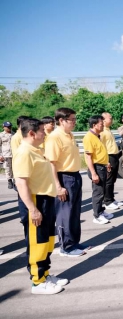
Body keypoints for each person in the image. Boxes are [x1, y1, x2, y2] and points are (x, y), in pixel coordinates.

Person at [13, 118, 68, 294]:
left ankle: (45, 275)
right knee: (37, 242)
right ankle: (37, 281)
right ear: (31, 133)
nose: (45, 133)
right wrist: (33, 209)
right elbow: (21, 183)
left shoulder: (36, 149)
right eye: (42, 131)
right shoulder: (24, 152)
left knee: (47, 241)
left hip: (46, 199)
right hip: (35, 201)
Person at [45, 108, 87, 257]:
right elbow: (52, 164)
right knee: (65, 213)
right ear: (61, 121)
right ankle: (66, 247)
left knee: (75, 212)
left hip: (75, 176)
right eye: (72, 120)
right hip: (63, 178)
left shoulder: (70, 135)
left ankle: (74, 241)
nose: (75, 122)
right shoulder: (55, 137)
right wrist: (58, 186)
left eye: (75, 119)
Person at [83, 115, 113, 225]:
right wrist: (94, 173)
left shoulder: (97, 136)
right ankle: (97, 216)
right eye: (101, 124)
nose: (103, 125)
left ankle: (101, 211)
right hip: (96, 168)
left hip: (102, 166)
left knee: (102, 191)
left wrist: (107, 163)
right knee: (98, 193)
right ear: (94, 125)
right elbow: (88, 157)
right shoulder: (89, 137)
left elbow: (99, 152)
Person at [100, 112, 123, 209]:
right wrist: (107, 161)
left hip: (114, 156)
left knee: (113, 179)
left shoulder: (108, 130)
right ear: (104, 120)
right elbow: (102, 148)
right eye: (110, 118)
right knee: (108, 180)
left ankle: (111, 198)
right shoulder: (102, 131)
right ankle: (107, 201)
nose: (112, 119)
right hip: (108, 157)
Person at [0, 121, 14, 189]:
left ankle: (15, 180)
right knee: (7, 168)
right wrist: (0, 155)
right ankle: (9, 180)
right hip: (6, 154)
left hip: (14, 154)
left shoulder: (14, 134)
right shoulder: (1, 135)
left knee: (14, 168)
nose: (9, 128)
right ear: (4, 127)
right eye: (7, 127)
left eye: (10, 126)